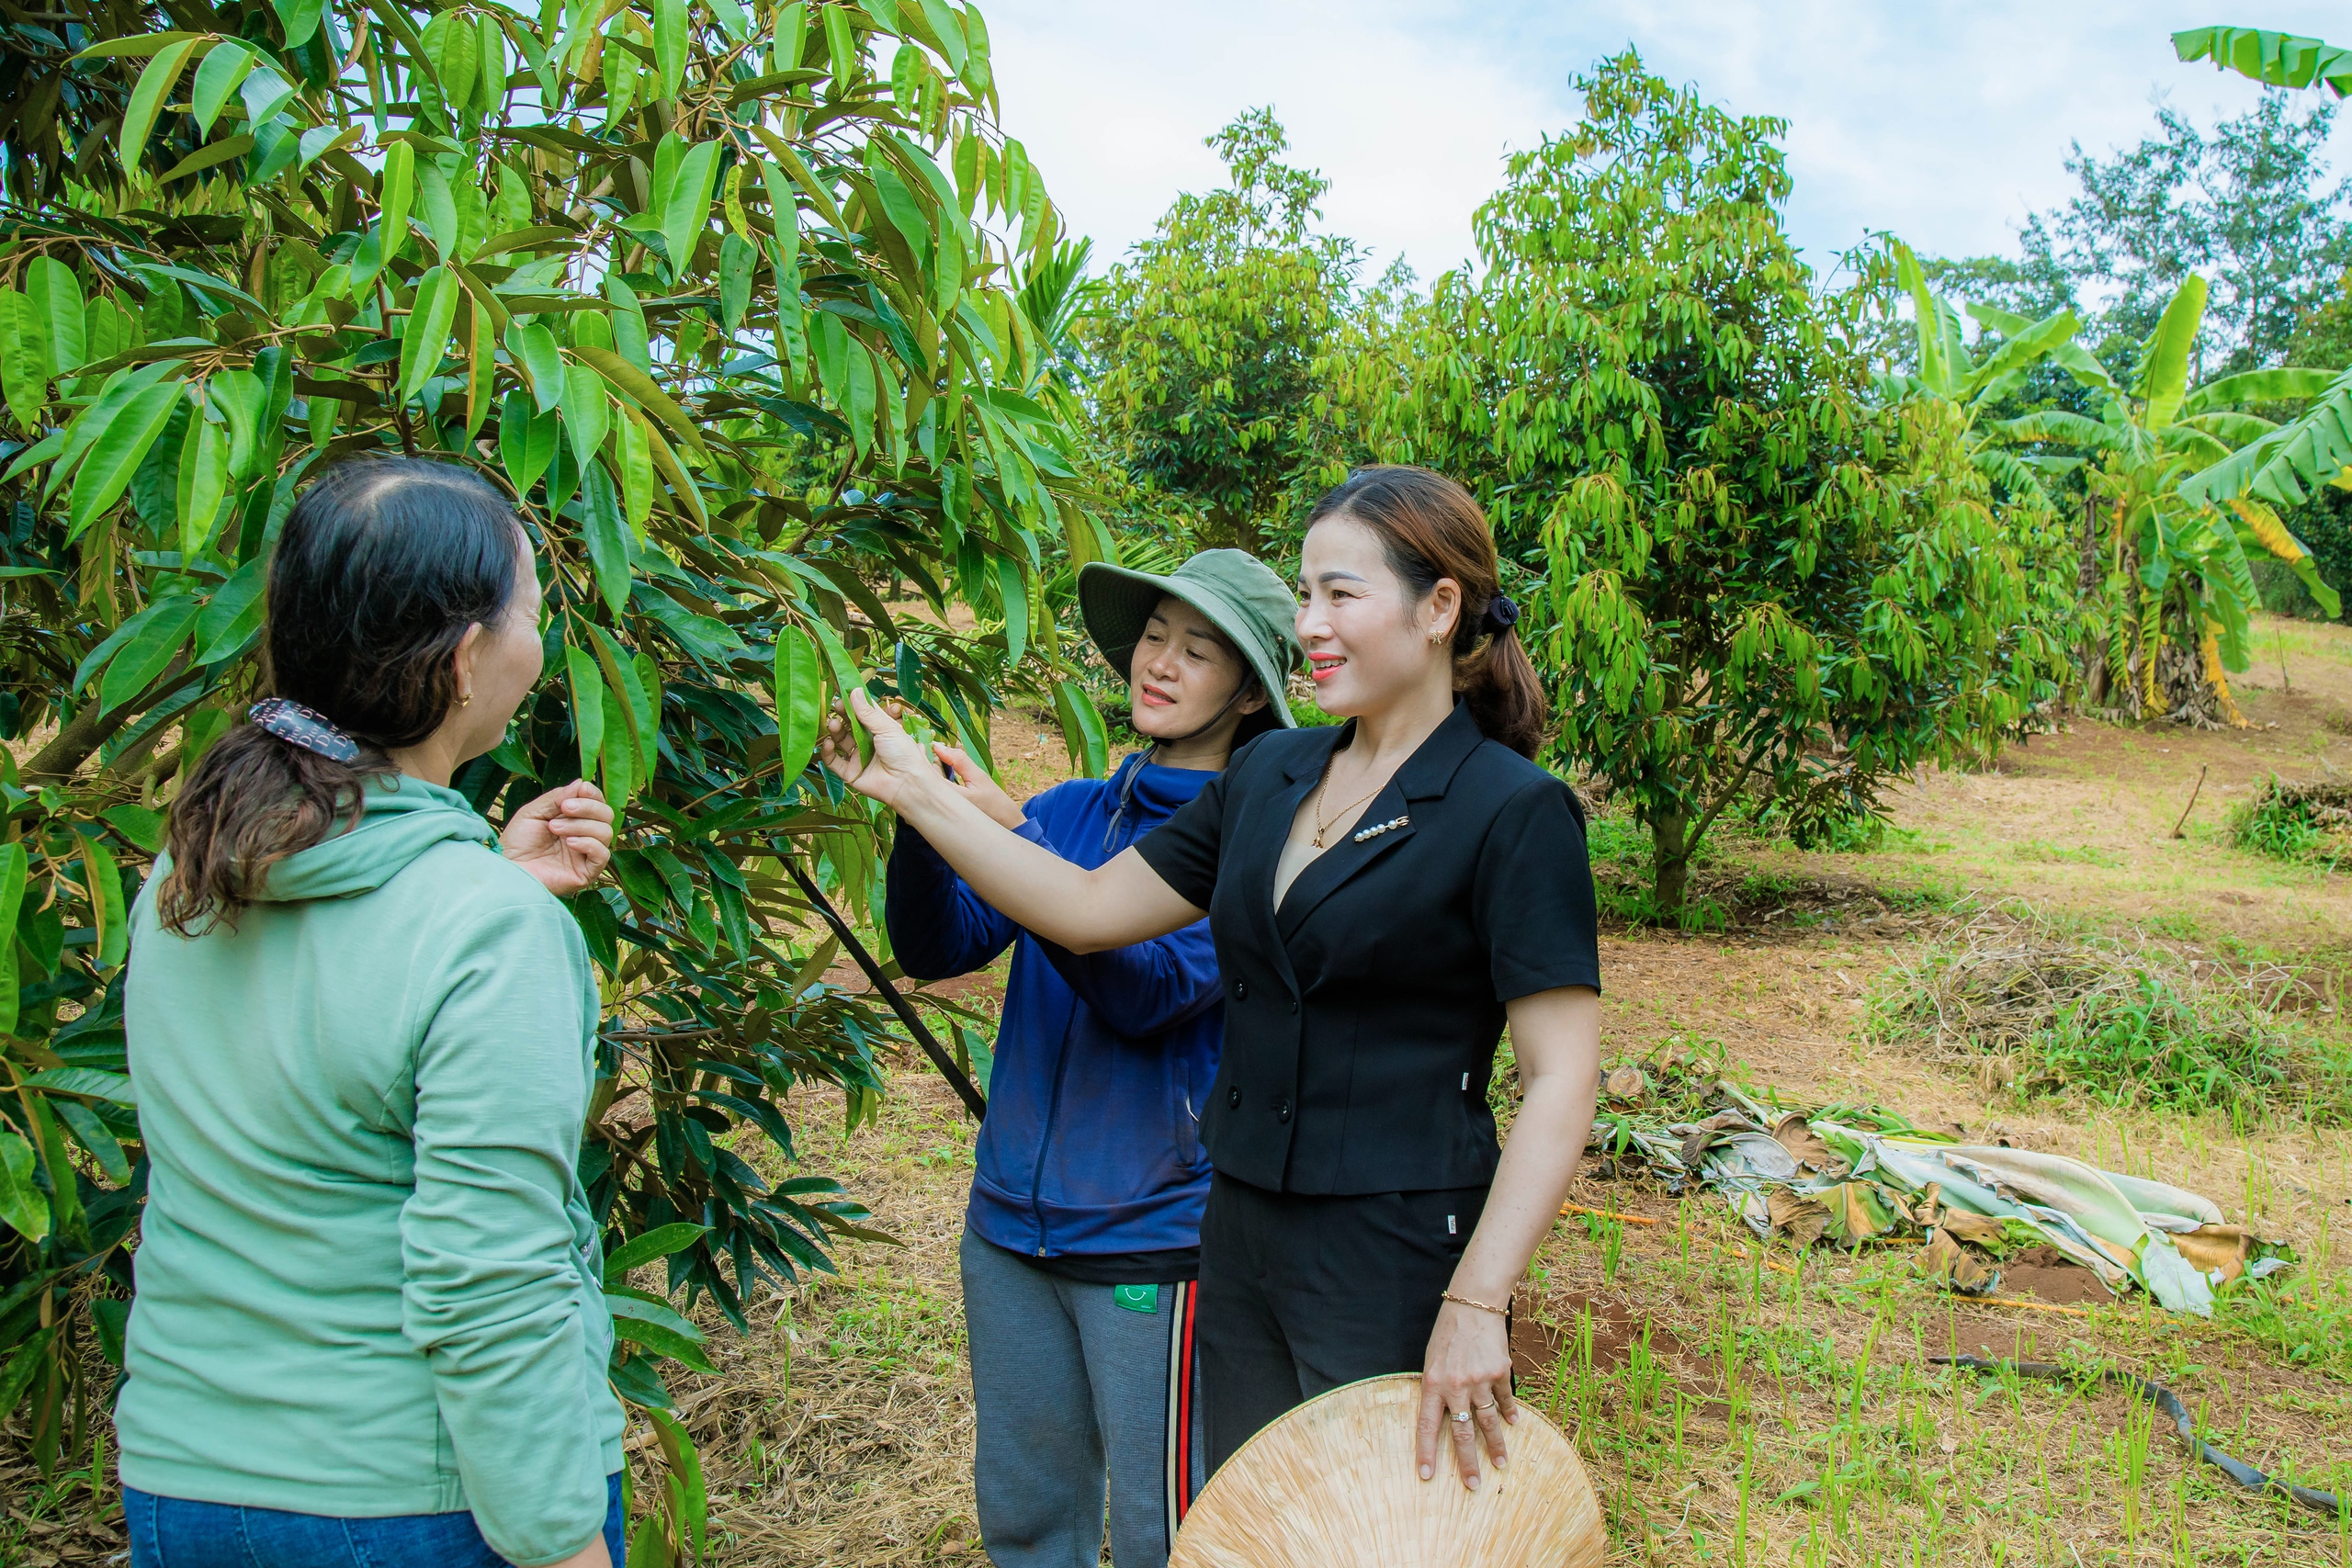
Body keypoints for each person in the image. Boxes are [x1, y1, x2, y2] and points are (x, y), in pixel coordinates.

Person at [823, 465, 1601, 1495]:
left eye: (1340, 594)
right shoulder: (1273, 777)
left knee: (1375, 1529)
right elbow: (1086, 912)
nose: (1311, 624)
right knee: (1247, 1524)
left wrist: (1475, 1299)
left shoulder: (1511, 811)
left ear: (1439, 606)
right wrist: (916, 795)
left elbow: (1560, 1078)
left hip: (1392, 1247)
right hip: (1237, 1235)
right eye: (1305, 594)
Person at [119, 457, 627, 1568]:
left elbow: (301, 1062)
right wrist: (563, 1543)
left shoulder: (188, 871)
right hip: (408, 1500)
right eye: (533, 608)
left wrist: (483, 877)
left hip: (184, 1481)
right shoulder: (484, 932)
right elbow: (489, 1279)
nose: (540, 641)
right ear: (463, 662)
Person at [886, 549, 1302, 1568]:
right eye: (1154, 636)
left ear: (1248, 690)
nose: (1159, 663)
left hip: (1148, 1243)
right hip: (1008, 1233)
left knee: (1167, 1526)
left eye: (1198, 651)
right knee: (1027, 1517)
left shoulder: (1257, 840)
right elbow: (936, 949)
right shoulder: (1069, 812)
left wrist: (1007, 839)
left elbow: (1148, 989)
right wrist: (919, 818)